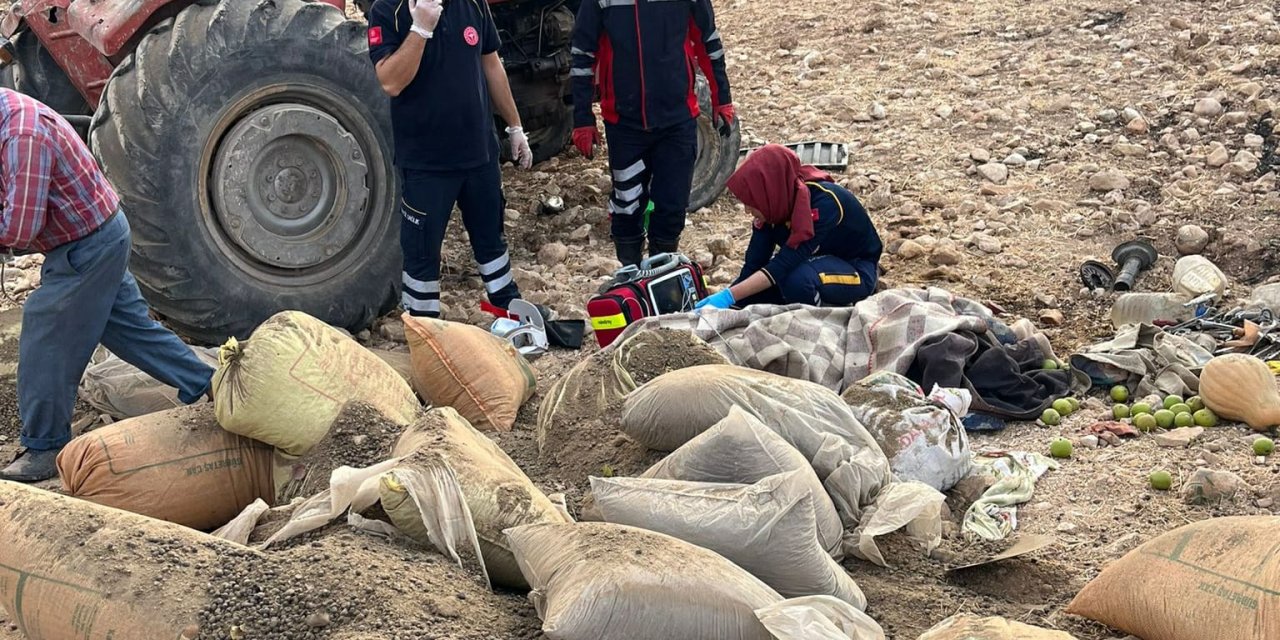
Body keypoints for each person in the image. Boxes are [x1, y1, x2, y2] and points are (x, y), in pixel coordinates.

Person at [0, 88, 216, 482]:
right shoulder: (8, 120)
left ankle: (45, 447)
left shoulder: (21, 134)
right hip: (98, 234)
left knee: (46, 334)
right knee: (130, 332)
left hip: (87, 245)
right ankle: (207, 383)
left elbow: (19, 228)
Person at [368, 0, 534, 318]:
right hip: (427, 163)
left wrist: (515, 126)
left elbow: (491, 64)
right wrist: (420, 29)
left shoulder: (472, 3)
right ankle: (424, 329)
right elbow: (390, 81)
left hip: (479, 155)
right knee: (422, 255)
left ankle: (510, 313)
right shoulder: (388, 9)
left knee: (492, 243)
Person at [569, 0, 734, 267]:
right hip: (624, 125)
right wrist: (582, 118)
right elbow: (583, 52)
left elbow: (707, 40)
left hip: (678, 120)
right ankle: (631, 275)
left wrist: (722, 98)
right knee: (626, 207)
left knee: (672, 208)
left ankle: (661, 274)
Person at [697, 144, 882, 310]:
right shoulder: (773, 208)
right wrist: (727, 303)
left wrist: (730, 296)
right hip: (810, 262)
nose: (747, 211)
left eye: (751, 203)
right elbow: (754, 265)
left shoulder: (825, 203)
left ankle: (820, 321)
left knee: (796, 281)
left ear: (768, 192)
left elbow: (785, 262)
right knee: (755, 294)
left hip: (855, 268)